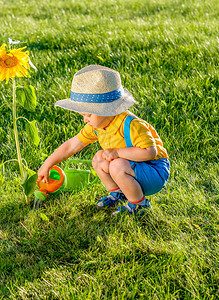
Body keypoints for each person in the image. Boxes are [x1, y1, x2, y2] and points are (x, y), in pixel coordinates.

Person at [37, 65, 170, 215]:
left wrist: (118, 152)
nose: (85, 120)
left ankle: (139, 205)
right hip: (133, 168)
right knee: (99, 158)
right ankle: (118, 193)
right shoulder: (97, 126)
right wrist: (48, 164)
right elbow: (72, 146)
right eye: (83, 116)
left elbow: (150, 153)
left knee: (117, 165)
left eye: (89, 115)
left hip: (153, 171)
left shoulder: (131, 124)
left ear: (106, 109)